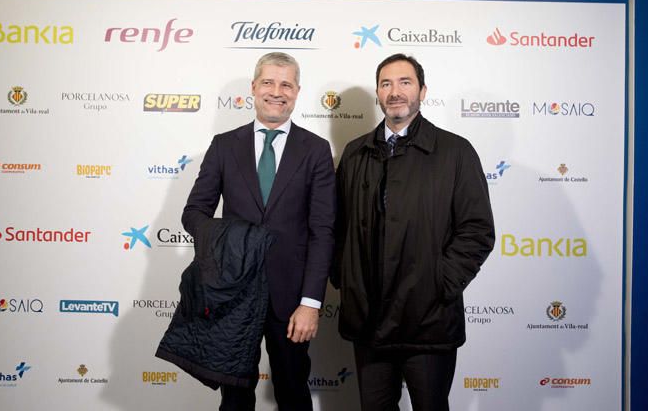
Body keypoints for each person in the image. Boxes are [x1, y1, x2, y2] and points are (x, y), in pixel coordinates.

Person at [332, 53, 495, 411]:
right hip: (369, 321)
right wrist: (349, 280)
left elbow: (477, 230)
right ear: (377, 93)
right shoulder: (355, 153)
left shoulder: (455, 151)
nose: (395, 92)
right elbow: (336, 227)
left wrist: (439, 283)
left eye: (405, 82)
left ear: (422, 91)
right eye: (386, 83)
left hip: (429, 322)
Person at [182, 52, 336, 411]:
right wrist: (228, 242)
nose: (276, 91)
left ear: (297, 92)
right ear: (254, 88)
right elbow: (194, 212)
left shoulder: (315, 150)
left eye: (286, 84)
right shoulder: (224, 145)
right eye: (268, 82)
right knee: (234, 399)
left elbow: (323, 231)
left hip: (291, 299)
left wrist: (311, 303)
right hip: (233, 295)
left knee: (293, 394)